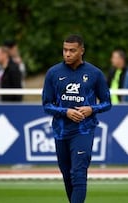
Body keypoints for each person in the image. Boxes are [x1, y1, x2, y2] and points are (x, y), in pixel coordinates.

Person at [42, 34, 111, 203]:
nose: (67, 54)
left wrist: (91, 109)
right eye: (65, 50)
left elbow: (107, 103)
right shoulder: (53, 73)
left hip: (83, 130)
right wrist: (65, 112)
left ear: (82, 51)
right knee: (67, 174)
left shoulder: (95, 74)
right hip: (61, 130)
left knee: (78, 173)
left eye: (72, 50)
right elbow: (46, 105)